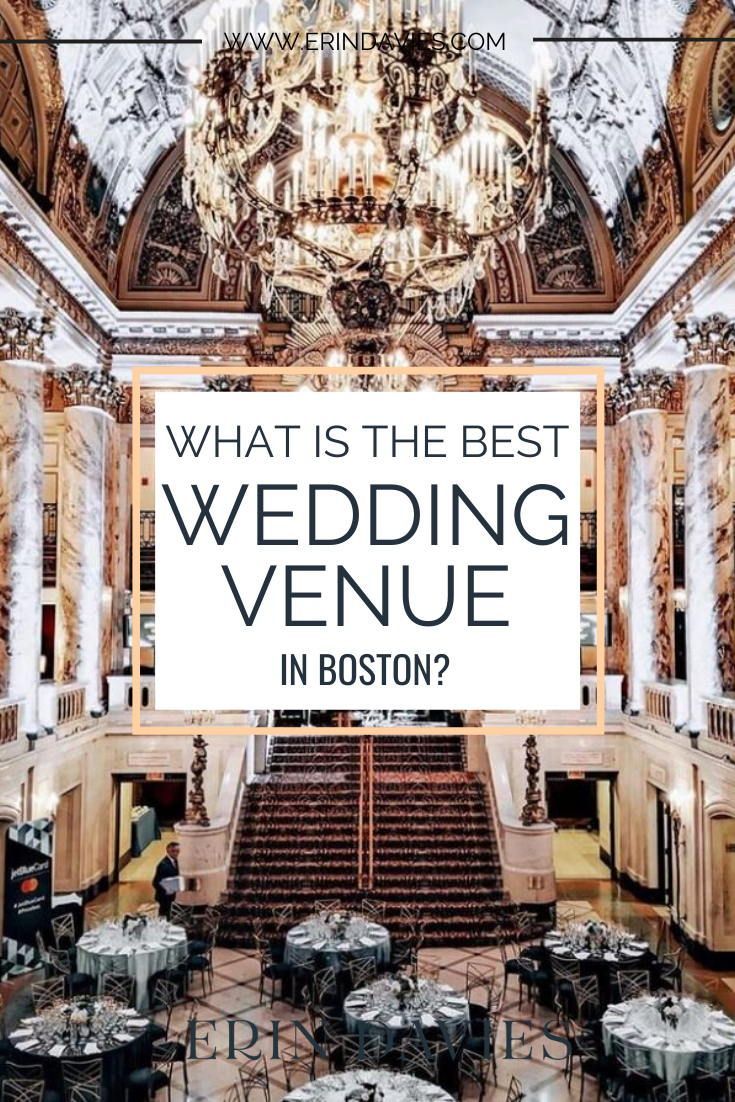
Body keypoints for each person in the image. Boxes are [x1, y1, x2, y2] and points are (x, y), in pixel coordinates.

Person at [152, 841, 180, 918]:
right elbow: (156, 882)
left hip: (172, 896)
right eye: (173, 851)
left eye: (178, 851)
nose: (176, 853)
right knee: (164, 915)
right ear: (168, 851)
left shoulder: (177, 862)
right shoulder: (163, 865)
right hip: (164, 897)